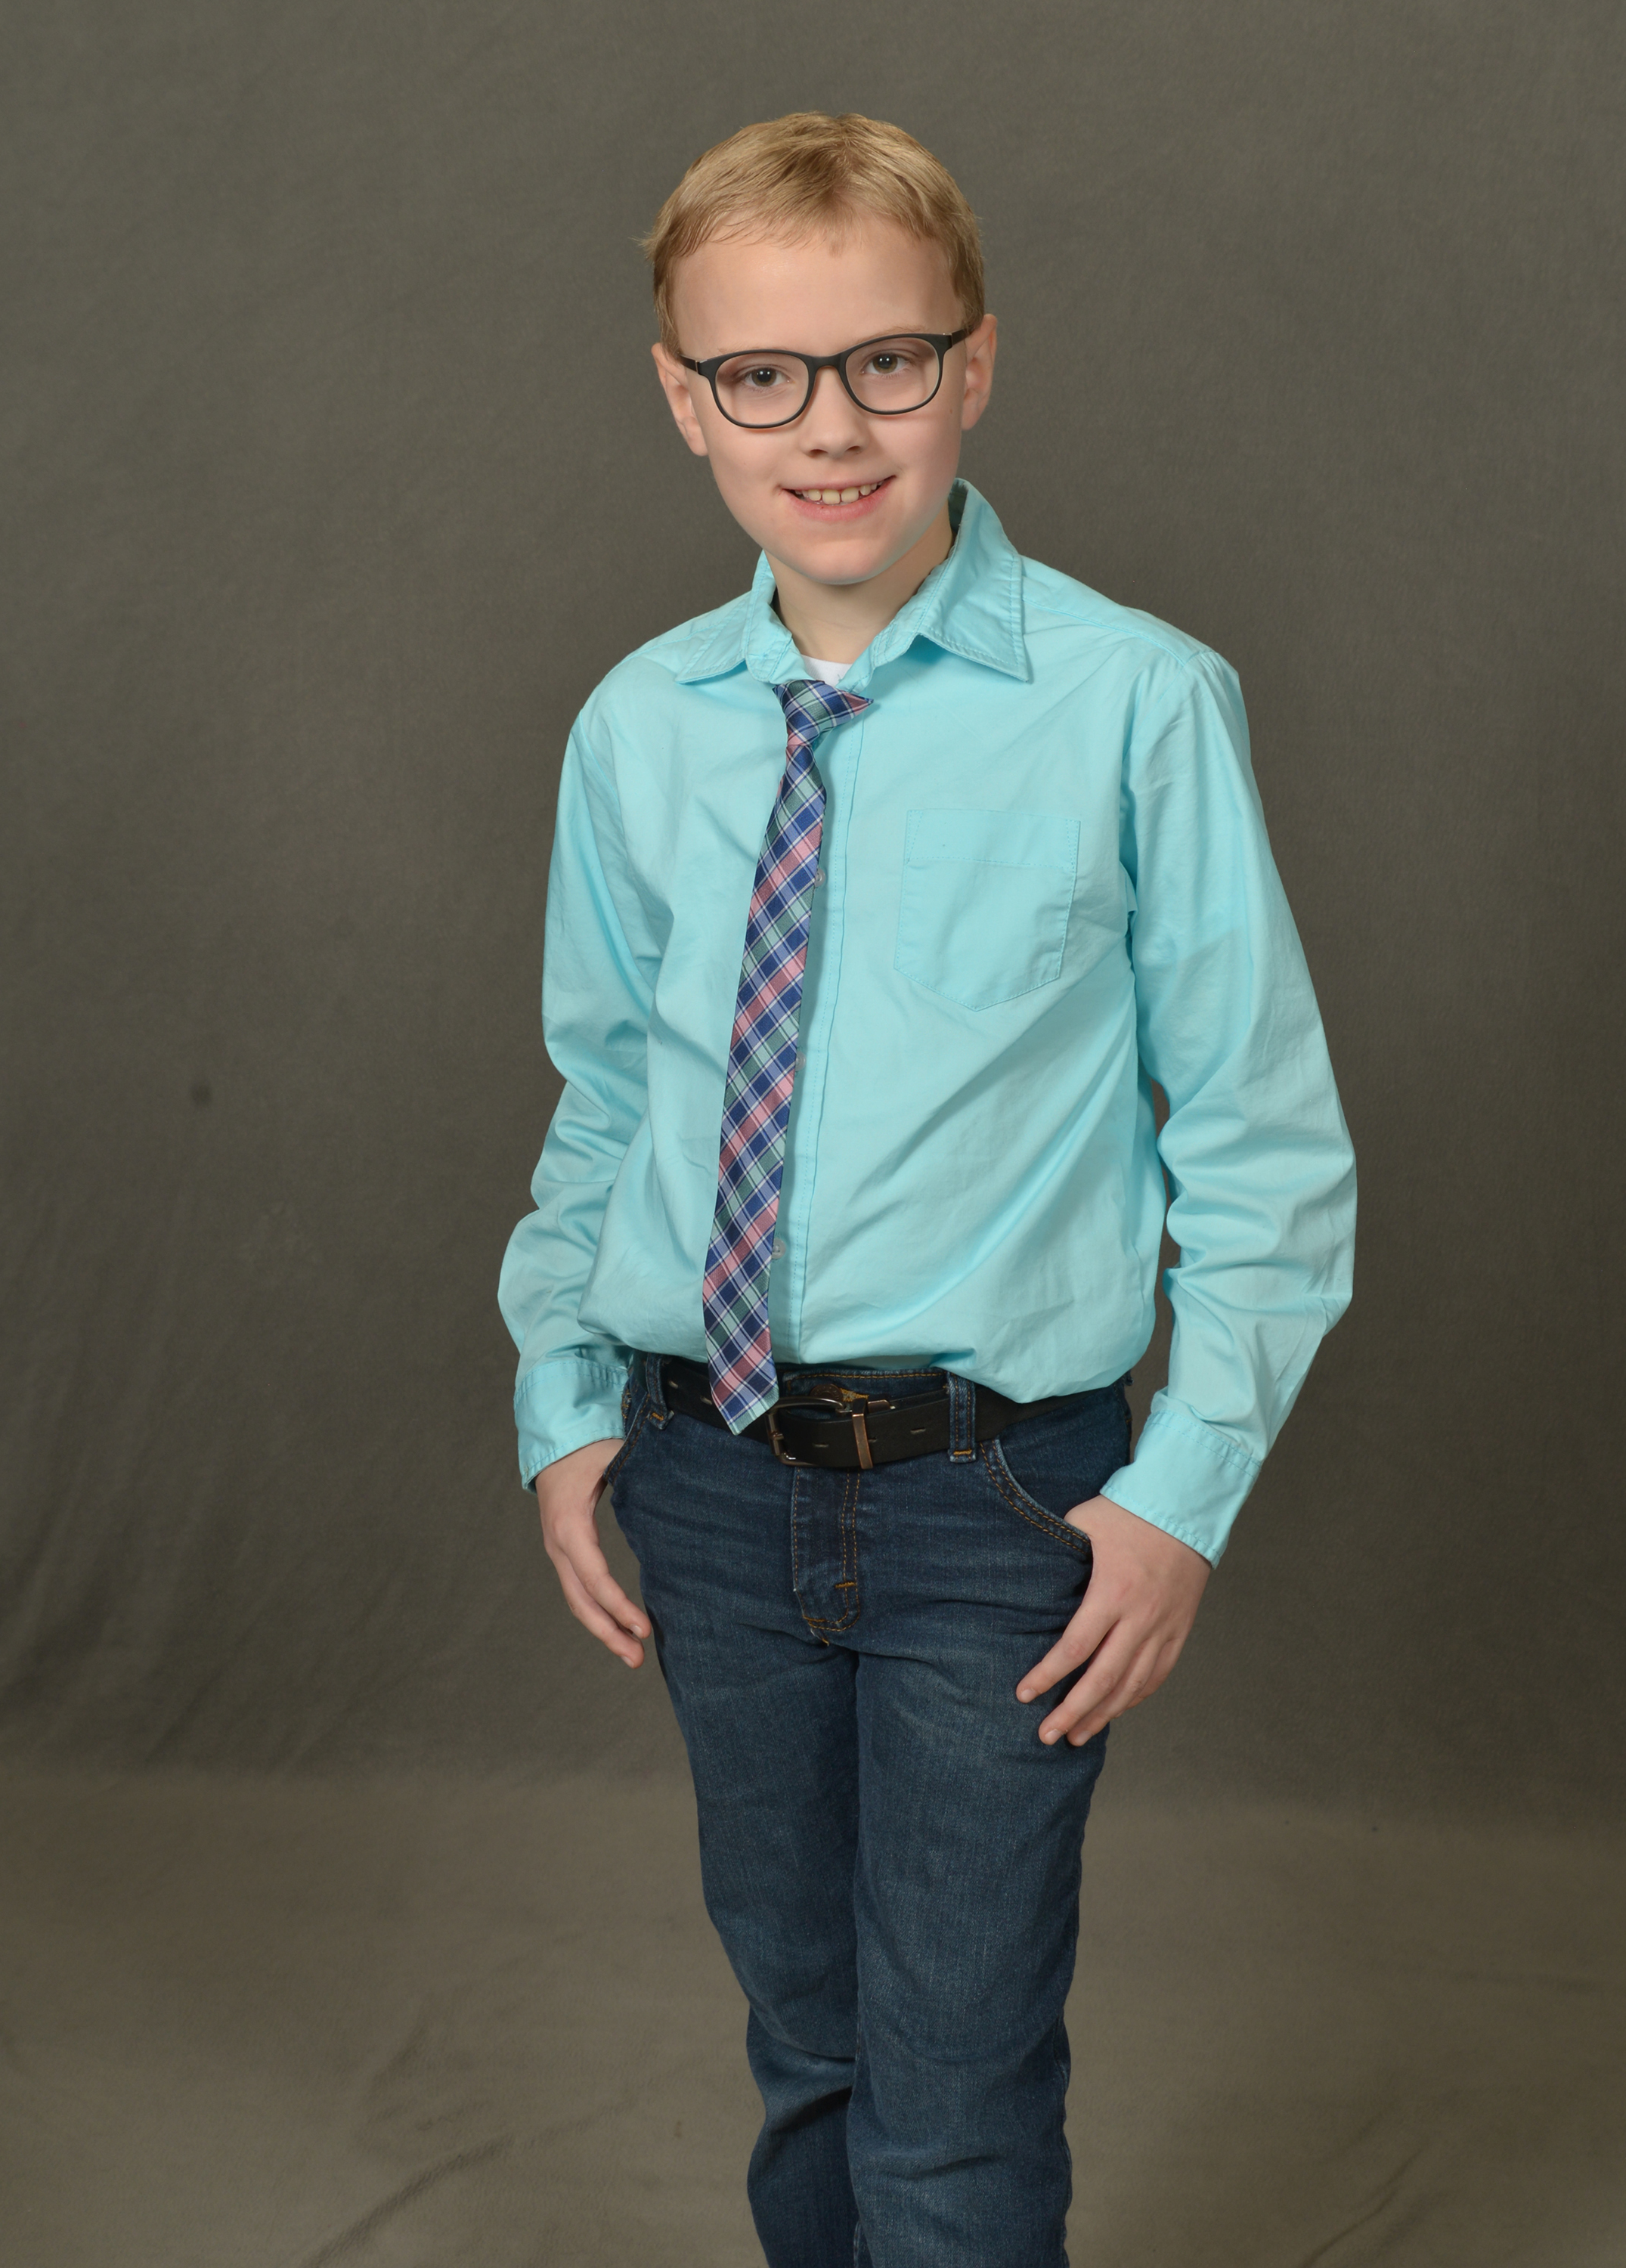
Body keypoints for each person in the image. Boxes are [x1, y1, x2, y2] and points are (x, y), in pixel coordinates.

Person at [500, 110, 1355, 2268]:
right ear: (683, 399)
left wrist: (1181, 1494)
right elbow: (605, 1102)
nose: (831, 426)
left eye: (887, 361)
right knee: (811, 2042)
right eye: (762, 375)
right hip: (707, 1483)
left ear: (974, 364)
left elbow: (1262, 1145)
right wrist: (566, 1408)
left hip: (1000, 1506)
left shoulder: (1135, 704)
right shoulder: (640, 729)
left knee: (955, 2095)